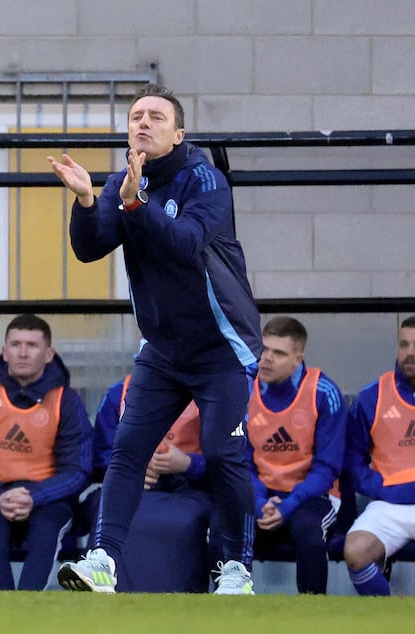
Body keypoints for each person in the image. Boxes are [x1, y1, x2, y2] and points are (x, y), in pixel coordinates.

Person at [48, 82, 263, 595]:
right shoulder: (125, 181)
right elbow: (90, 247)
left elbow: (187, 244)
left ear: (179, 132)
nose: (143, 123)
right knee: (127, 450)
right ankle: (103, 561)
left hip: (221, 347)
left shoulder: (204, 180)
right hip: (163, 350)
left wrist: (135, 207)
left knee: (221, 451)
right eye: (136, 116)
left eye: (155, 117)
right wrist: (84, 200)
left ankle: (236, 568)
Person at [0, 314, 92, 590]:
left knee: (46, 534)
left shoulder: (67, 401)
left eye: (32, 345)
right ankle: (3, 615)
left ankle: (29, 611)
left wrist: (35, 497)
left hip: (48, 499)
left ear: (49, 354)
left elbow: (78, 469)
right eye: (15, 344)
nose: (22, 352)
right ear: (4, 351)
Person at [85, 374, 215, 592]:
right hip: (130, 490)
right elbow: (99, 457)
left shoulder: (214, 395)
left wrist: (188, 464)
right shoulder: (119, 393)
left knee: (185, 522)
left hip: (190, 491)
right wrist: (132, 470)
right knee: (106, 509)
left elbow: (233, 463)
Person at [246, 316, 346, 594]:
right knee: (223, 529)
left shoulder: (324, 393)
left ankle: (312, 616)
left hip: (312, 497)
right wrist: (258, 500)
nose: (266, 358)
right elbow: (241, 460)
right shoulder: (245, 388)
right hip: (261, 493)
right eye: (264, 349)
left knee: (311, 535)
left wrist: (289, 504)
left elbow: (327, 468)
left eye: (278, 353)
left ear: (297, 359)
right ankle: (225, 614)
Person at [343, 315, 415, 596]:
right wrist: (382, 489)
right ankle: (387, 616)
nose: (411, 352)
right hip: (389, 505)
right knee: (356, 551)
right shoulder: (371, 397)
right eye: (404, 344)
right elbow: (352, 460)